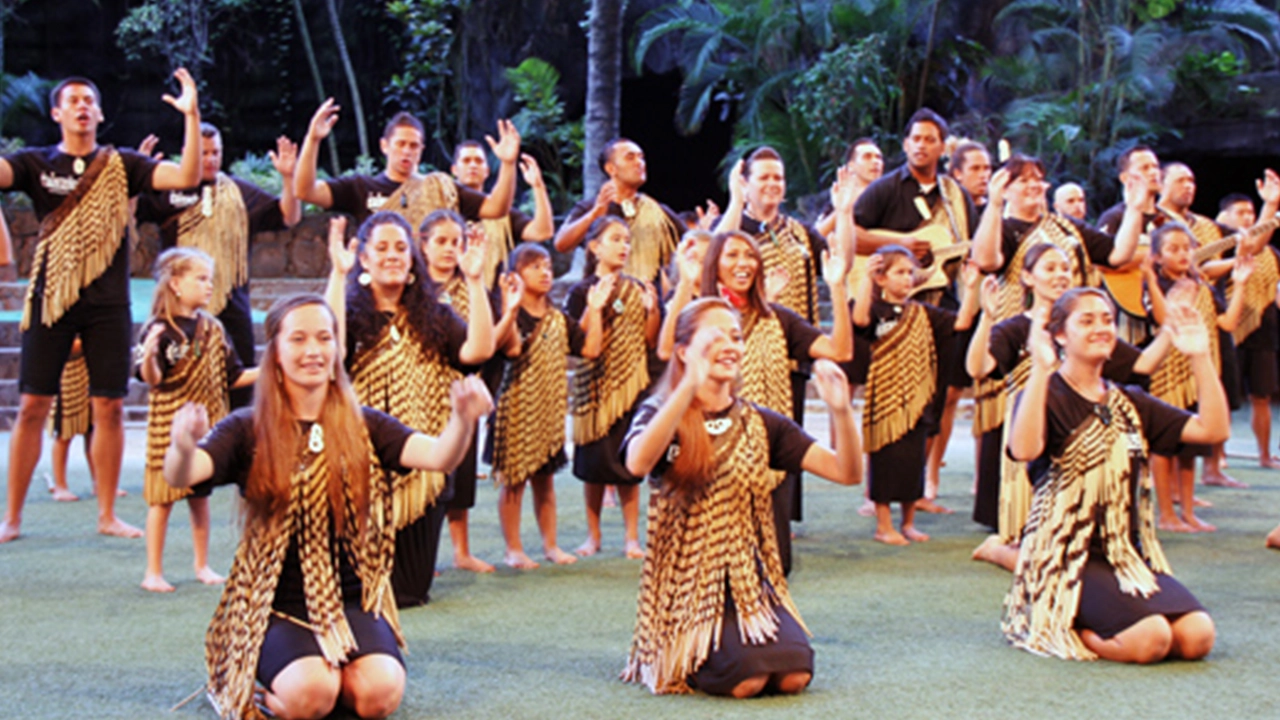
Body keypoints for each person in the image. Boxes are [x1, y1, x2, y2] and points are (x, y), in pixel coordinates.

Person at [163, 293, 492, 719]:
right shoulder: (249, 428)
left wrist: (462, 421)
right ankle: (259, 683)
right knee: (311, 695)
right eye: (298, 339)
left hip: (353, 599)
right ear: (276, 353)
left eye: (324, 338)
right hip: (276, 601)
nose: (313, 351)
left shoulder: (363, 423)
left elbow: (438, 457)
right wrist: (182, 445)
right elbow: (182, 474)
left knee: (378, 696)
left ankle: (332, 678)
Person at [0, 69, 203, 543]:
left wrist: (191, 116)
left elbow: (187, 176)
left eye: (89, 100)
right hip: (51, 301)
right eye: (72, 100)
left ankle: (108, 514)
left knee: (109, 406)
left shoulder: (122, 164)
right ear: (56, 113)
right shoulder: (36, 163)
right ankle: (11, 517)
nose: (81, 106)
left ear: (100, 112)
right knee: (32, 405)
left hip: (109, 304)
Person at [620, 298, 862, 696]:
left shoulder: (763, 423)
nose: (730, 344)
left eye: (735, 336)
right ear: (685, 350)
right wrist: (688, 386)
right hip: (690, 588)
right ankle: (682, 649)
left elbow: (847, 473)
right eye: (715, 337)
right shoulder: (660, 412)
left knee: (795, 674)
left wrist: (841, 412)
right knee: (747, 679)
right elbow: (637, 462)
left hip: (750, 582)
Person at [1004, 287, 1224, 663]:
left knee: (1197, 637)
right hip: (1067, 556)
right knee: (1151, 640)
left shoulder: (1129, 400)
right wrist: (1041, 368)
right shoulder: (1046, 393)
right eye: (1086, 321)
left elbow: (1212, 431)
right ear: (1059, 334)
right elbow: (1024, 450)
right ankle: (1064, 624)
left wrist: (1200, 357)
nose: (1102, 328)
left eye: (1107, 320)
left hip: (1127, 555)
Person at [326, 212, 495, 606]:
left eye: (401, 248)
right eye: (381, 248)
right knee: (363, 590)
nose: (392, 256)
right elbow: (331, 350)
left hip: (424, 467)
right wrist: (337, 275)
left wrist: (474, 281)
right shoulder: (349, 312)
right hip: (365, 460)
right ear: (363, 259)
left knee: (411, 592)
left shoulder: (433, 314)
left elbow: (478, 350)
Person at [966, 244, 1171, 570]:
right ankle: (999, 551)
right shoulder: (1014, 327)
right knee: (1038, 546)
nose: (1060, 274)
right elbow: (977, 369)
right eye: (1049, 268)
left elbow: (1143, 365)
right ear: (1028, 278)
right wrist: (987, 317)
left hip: (1076, 437)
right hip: (1030, 430)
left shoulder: (1088, 329)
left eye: (1065, 268)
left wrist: (1174, 328)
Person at [661, 227, 851, 572]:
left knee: (772, 565)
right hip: (706, 450)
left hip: (767, 455)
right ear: (714, 263)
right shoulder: (696, 315)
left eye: (750, 255)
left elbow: (839, 349)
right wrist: (681, 289)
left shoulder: (778, 318)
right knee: (705, 566)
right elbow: (664, 349)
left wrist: (836, 287)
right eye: (732, 255)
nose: (743, 263)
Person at [854, 109, 980, 513]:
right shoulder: (887, 188)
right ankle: (878, 493)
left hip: (943, 305)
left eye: (930, 139)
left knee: (941, 398)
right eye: (916, 138)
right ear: (905, 143)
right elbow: (854, 235)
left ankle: (925, 483)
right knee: (888, 400)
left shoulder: (954, 195)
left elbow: (972, 243)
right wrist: (903, 241)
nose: (922, 145)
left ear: (943, 148)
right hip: (892, 313)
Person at [133, 122, 301, 408]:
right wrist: (137, 177)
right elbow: (133, 214)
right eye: (203, 153)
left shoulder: (238, 193)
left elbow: (288, 216)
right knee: (180, 389)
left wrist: (288, 179)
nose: (210, 159)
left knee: (239, 396)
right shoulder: (170, 188)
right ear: (188, 153)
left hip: (231, 306)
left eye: (215, 152)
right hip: (179, 311)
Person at [714, 147, 835, 531]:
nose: (772, 184)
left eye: (777, 178)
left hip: (790, 353)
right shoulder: (735, 228)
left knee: (786, 438)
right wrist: (734, 201)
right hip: (744, 356)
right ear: (745, 183)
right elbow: (713, 255)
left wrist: (845, 212)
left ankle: (777, 519)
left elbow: (836, 257)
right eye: (763, 177)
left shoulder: (796, 231)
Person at [136, 247, 257, 593]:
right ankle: (153, 570)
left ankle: (202, 564)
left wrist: (270, 369)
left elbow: (232, 376)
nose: (208, 286)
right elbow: (151, 377)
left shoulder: (214, 329)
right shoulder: (159, 329)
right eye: (201, 279)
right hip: (168, 423)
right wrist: (150, 356)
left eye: (210, 279)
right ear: (175, 283)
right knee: (162, 497)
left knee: (199, 496)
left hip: (206, 422)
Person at [853, 247, 980, 544]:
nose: (907, 278)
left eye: (910, 272)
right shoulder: (874, 310)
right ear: (882, 278)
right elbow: (859, 320)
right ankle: (884, 525)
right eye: (899, 272)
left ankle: (908, 522)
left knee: (913, 463)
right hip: (885, 400)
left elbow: (961, 323)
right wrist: (865, 280)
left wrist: (971, 288)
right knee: (885, 461)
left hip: (917, 399)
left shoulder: (923, 313)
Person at [488, 243, 598, 568]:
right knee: (514, 482)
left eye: (547, 266)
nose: (545, 272)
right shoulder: (509, 314)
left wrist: (594, 308)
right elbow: (509, 350)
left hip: (548, 414)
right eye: (534, 267)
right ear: (516, 275)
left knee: (545, 481)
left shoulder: (558, 319)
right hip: (515, 409)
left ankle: (550, 545)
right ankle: (514, 549)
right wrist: (510, 306)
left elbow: (588, 347)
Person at [1141, 223, 1252, 532]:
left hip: (1198, 373)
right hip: (1167, 375)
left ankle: (1188, 511)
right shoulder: (1157, 285)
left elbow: (1228, 323)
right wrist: (1150, 277)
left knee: (1191, 448)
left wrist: (1240, 283)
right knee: (1164, 445)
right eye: (1172, 249)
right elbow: (1163, 320)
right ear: (1157, 256)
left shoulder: (1203, 286)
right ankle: (1167, 513)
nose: (1182, 254)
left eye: (1186, 248)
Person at [565, 217, 661, 558]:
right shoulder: (581, 290)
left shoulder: (637, 288)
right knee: (593, 466)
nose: (624, 246)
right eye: (615, 239)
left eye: (626, 240)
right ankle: (593, 537)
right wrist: (595, 307)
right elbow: (576, 338)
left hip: (631, 386)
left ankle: (632, 538)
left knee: (627, 466)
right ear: (595, 247)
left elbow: (651, 342)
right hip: (595, 386)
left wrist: (652, 313)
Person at [417, 209, 503, 573]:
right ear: (423, 245)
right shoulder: (414, 290)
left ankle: (461, 551)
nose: (450, 249)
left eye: (457, 242)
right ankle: (424, 553)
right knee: (425, 474)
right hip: (421, 391)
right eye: (441, 241)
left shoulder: (473, 288)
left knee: (461, 474)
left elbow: (487, 340)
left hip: (462, 385)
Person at [295, 102, 519, 228]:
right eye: (400, 144)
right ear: (384, 146)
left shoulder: (441, 189)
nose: (407, 151)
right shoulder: (360, 187)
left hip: (427, 289)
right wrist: (313, 139)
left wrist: (508, 164)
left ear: (421, 151)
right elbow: (305, 191)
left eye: (414, 146)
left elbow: (497, 208)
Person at [554, 137, 683, 287]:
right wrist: (595, 214)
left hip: (647, 300)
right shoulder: (590, 208)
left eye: (641, 158)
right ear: (611, 169)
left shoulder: (657, 211)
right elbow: (561, 244)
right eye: (630, 157)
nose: (639, 163)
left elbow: (689, 242)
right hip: (602, 295)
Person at [450, 140, 555, 287]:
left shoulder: (502, 215)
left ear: (487, 171)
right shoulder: (444, 208)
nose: (473, 165)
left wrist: (538, 186)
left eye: (478, 161)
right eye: (466, 160)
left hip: (492, 296)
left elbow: (542, 232)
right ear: (454, 169)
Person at [46, 343, 94, 502]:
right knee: (64, 433)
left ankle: (100, 482)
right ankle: (60, 485)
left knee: (94, 431)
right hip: (67, 369)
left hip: (93, 368)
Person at [815, 137, 883, 238]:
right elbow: (815, 236)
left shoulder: (892, 194)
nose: (875, 161)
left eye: (878, 157)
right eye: (867, 157)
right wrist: (842, 209)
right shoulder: (840, 198)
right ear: (851, 166)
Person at [950, 141, 992, 209]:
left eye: (986, 168)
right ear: (958, 173)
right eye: (975, 169)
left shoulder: (998, 210)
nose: (983, 175)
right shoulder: (948, 211)